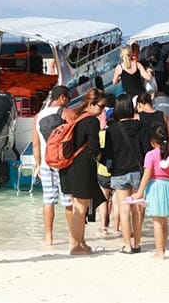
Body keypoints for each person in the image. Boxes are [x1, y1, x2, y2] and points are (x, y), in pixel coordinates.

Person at [59, 88, 107, 255]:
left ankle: (81, 242)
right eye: (101, 106)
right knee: (80, 208)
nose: (103, 110)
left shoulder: (77, 117)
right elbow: (94, 147)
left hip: (69, 166)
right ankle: (75, 246)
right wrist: (101, 155)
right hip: (81, 167)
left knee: (78, 207)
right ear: (91, 104)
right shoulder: (91, 121)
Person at [102, 94, 151, 253]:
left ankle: (127, 245)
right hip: (138, 172)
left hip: (119, 172)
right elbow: (147, 151)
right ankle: (137, 243)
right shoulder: (141, 126)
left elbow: (107, 154)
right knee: (137, 209)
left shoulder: (112, 130)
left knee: (124, 210)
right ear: (131, 108)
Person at [32, 85, 74, 246]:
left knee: (48, 199)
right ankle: (72, 236)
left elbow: (35, 145)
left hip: (45, 163)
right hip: (62, 162)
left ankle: (48, 237)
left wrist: (38, 165)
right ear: (62, 98)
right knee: (68, 200)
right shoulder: (66, 113)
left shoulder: (38, 117)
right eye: (68, 99)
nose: (68, 102)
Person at [131, 123, 169, 259]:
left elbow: (147, 175)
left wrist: (139, 192)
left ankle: (160, 253)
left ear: (152, 141)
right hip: (168, 185)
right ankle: (162, 250)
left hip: (155, 187)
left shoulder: (150, 155)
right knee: (164, 221)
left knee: (157, 222)